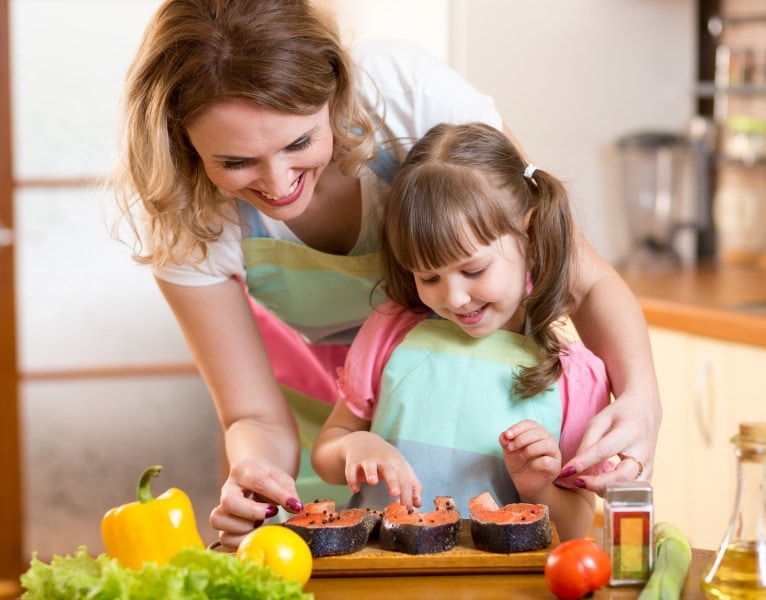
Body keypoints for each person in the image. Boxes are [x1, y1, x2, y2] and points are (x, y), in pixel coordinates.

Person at [114, 0, 660, 548]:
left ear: (334, 93)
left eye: (300, 142)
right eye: (235, 163)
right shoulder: (183, 215)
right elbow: (253, 413)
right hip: (337, 424)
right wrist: (257, 478)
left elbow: (583, 278)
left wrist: (640, 399)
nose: (278, 184)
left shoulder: (407, 100)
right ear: (182, 144)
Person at [312, 123, 610, 540]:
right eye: (428, 277)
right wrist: (351, 447)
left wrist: (539, 486)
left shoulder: (573, 375)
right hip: (385, 573)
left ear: (531, 232)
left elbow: (578, 524)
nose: (454, 298)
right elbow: (328, 447)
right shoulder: (391, 329)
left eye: (473, 270)